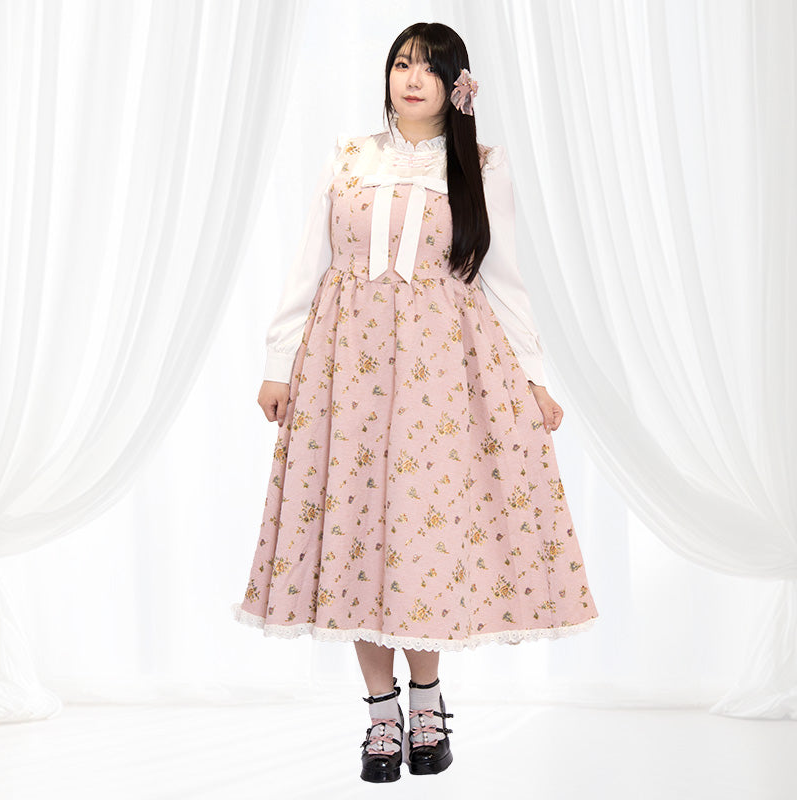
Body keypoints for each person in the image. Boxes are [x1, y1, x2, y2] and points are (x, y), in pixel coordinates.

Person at [230, 21, 599, 783]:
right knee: (355, 530)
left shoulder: (482, 167)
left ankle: (427, 703)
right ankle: (380, 717)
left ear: (456, 85)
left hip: (440, 373)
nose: (412, 78)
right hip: (344, 367)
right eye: (401, 63)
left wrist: (533, 377)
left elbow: (505, 278)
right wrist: (277, 361)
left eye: (429, 68)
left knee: (420, 532)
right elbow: (307, 263)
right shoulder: (350, 156)